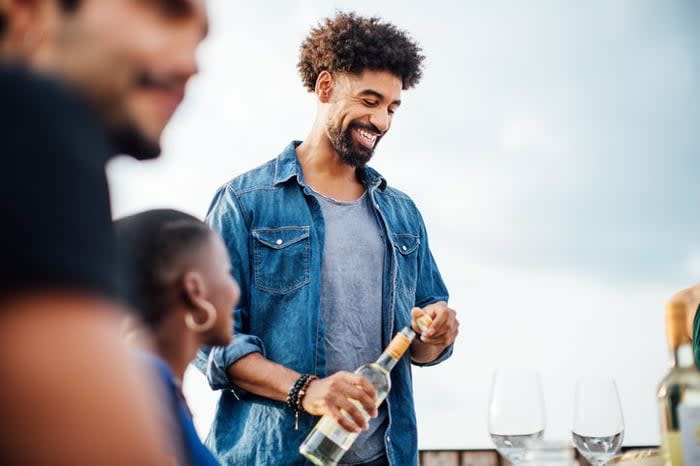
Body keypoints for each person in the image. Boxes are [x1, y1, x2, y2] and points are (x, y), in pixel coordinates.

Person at [195, 12, 459, 466]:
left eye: (392, 107)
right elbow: (208, 338)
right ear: (324, 87)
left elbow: (423, 342)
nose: (380, 121)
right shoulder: (245, 202)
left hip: (385, 457)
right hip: (274, 456)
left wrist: (438, 331)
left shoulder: (402, 214)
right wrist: (308, 391)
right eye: (369, 100)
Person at [0, 1, 207, 464]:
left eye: (200, 39)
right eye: (165, 12)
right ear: (30, 11)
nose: (191, 64)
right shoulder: (32, 118)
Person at [115, 209, 241, 466]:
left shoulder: (150, 383)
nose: (235, 290)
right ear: (195, 290)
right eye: (227, 272)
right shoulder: (146, 383)